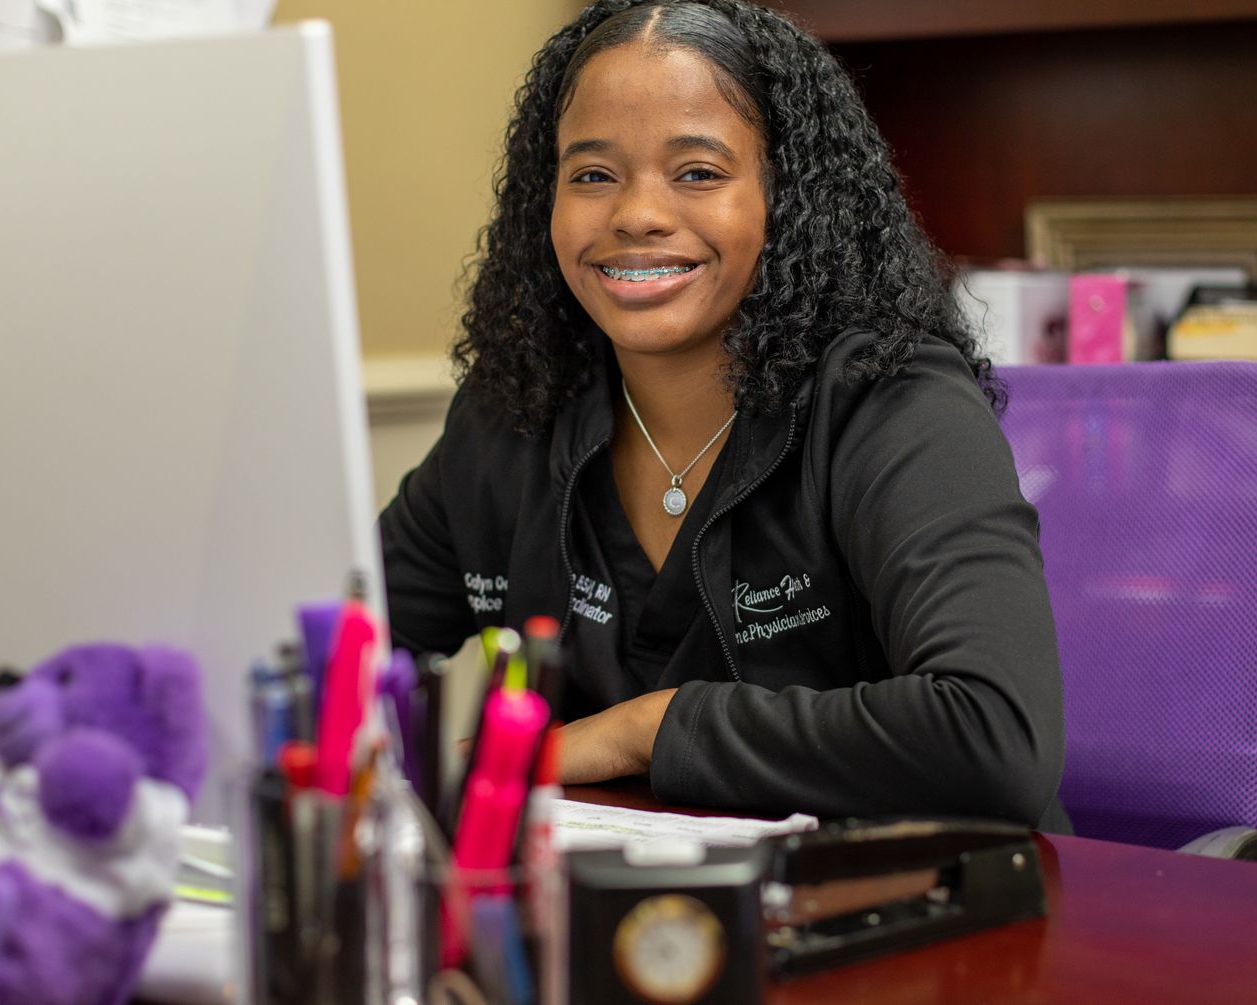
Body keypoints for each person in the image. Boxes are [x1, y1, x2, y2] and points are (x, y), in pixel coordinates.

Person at [379, 0, 1066, 828]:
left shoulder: (894, 399)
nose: (636, 214)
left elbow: (994, 741)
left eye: (697, 172)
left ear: (788, 197)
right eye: (592, 175)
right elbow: (331, 644)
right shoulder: (516, 404)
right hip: (604, 922)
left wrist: (647, 728)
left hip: (900, 920)